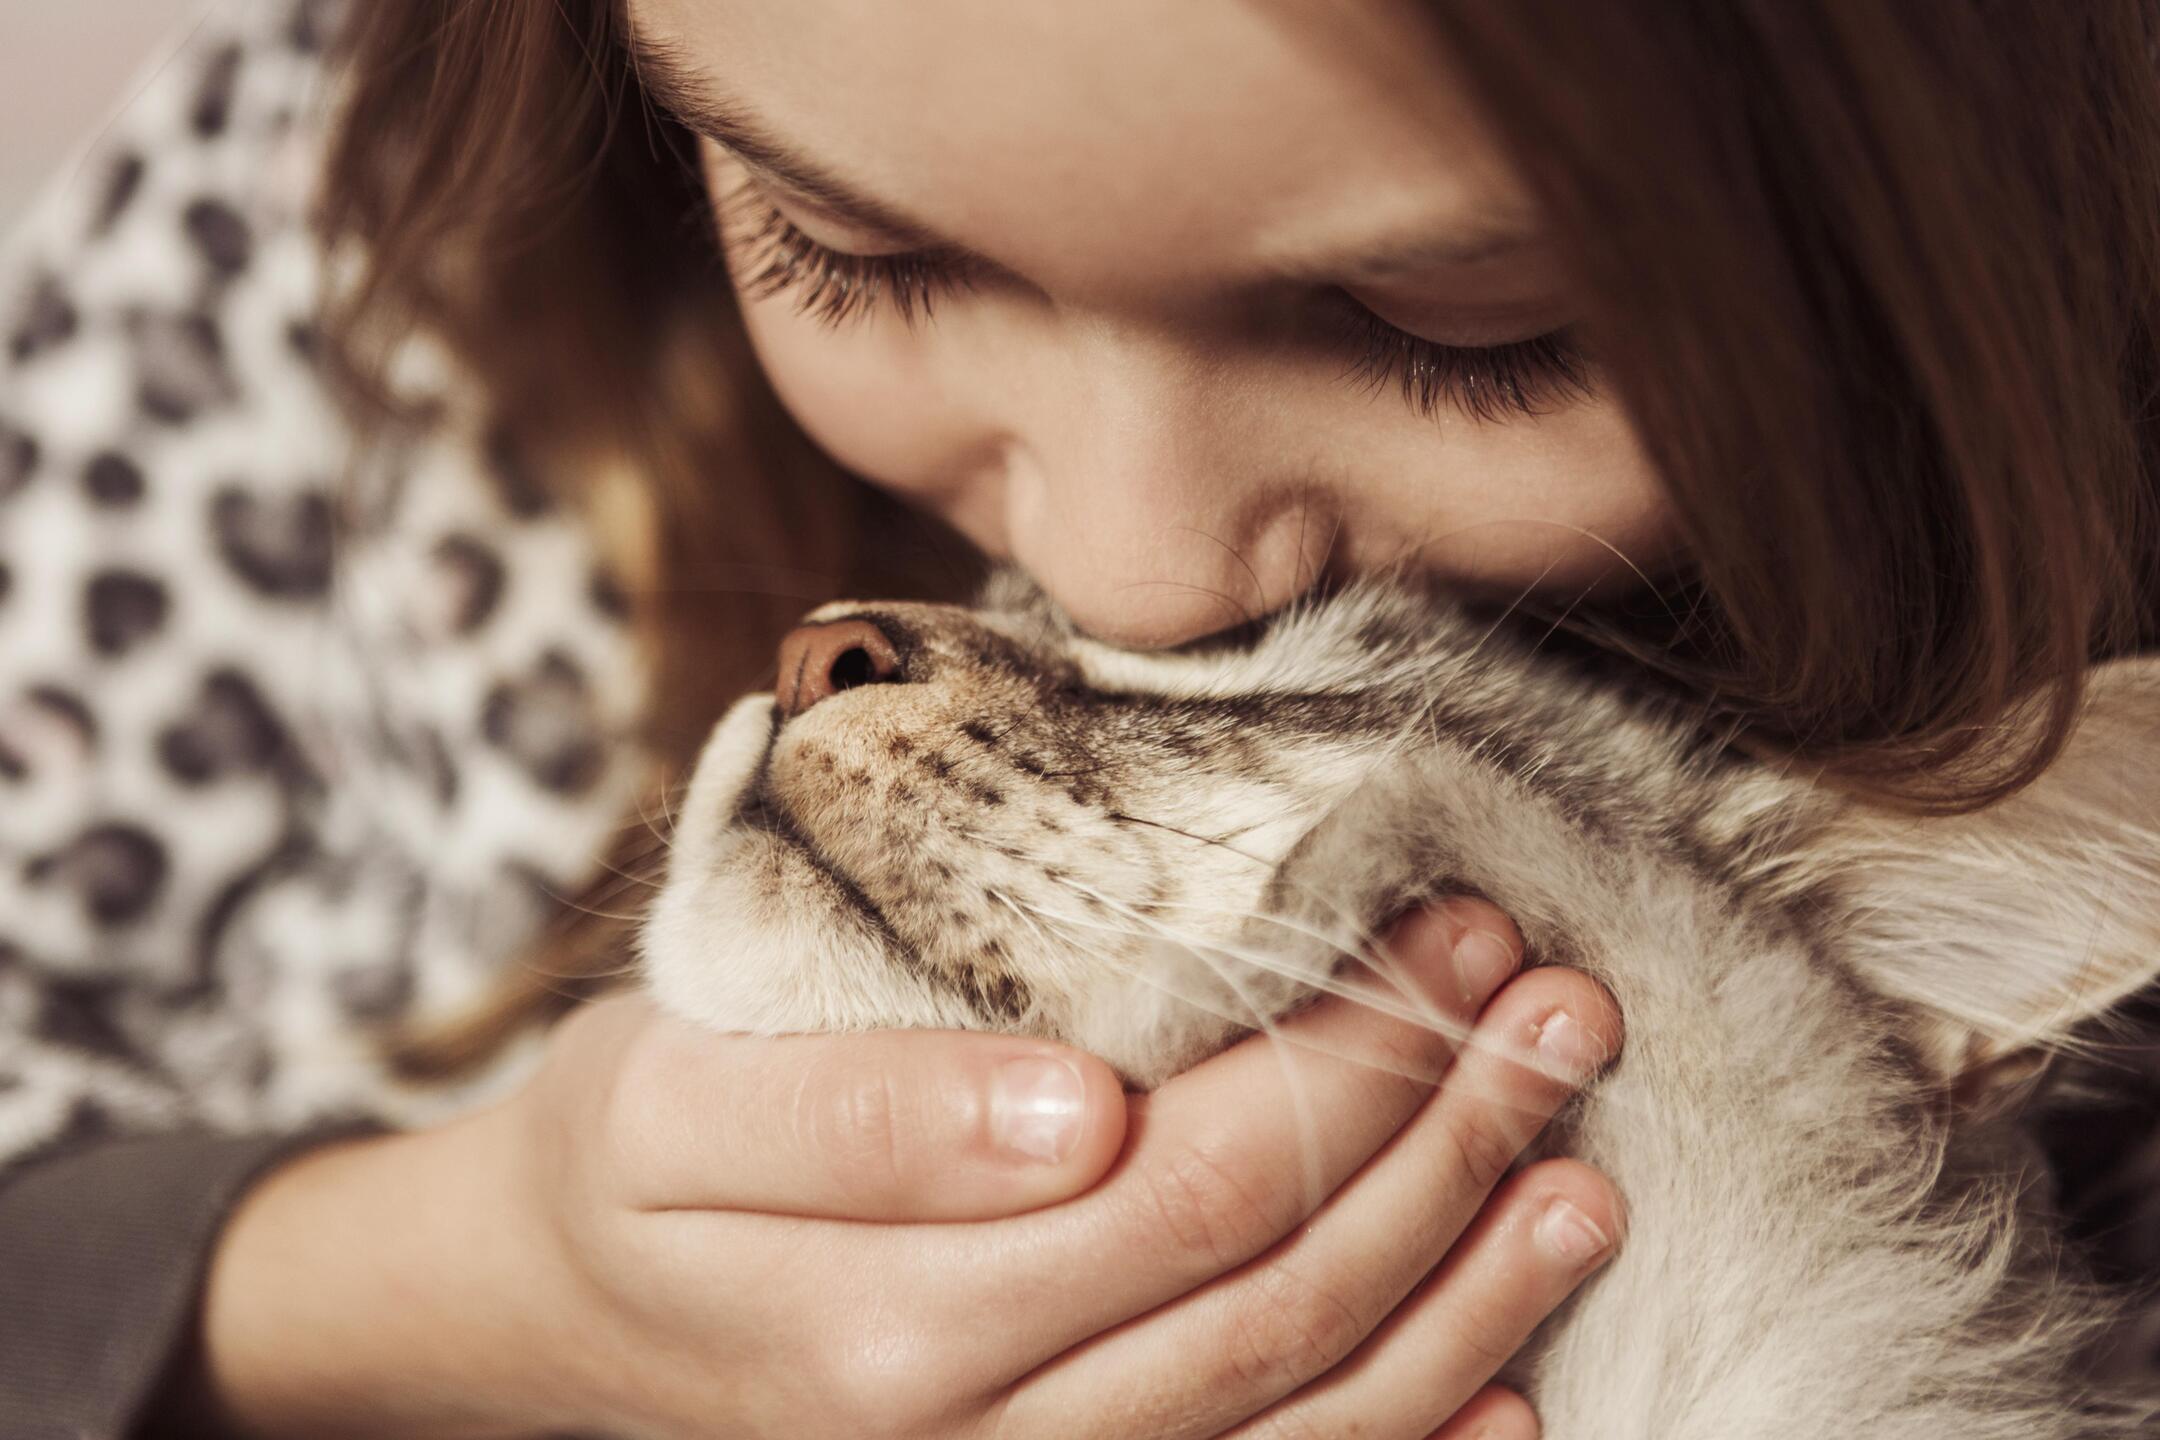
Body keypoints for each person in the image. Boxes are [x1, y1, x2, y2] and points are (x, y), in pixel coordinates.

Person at [0, 1, 2153, 1436]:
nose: (1121, 570)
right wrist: (455, 1278)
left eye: (1472, 332)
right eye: (844, 242)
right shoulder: (296, 233)